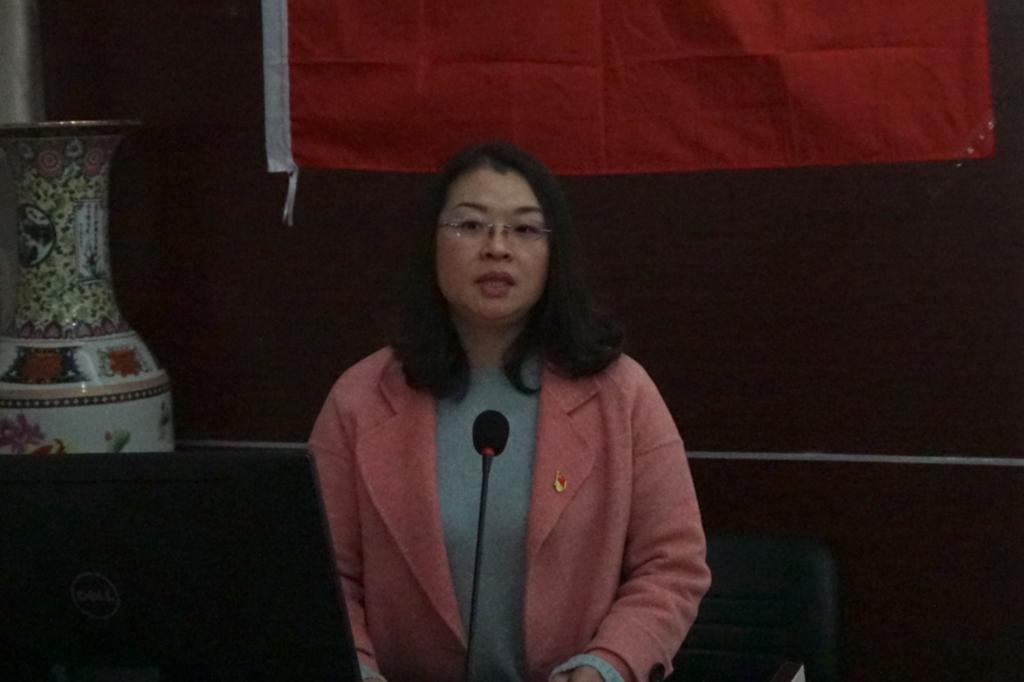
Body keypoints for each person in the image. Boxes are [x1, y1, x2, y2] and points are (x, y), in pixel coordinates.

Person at [309, 141, 711, 682]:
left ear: (553, 253)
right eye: (470, 225)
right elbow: (323, 576)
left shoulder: (622, 394)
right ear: (432, 244)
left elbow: (673, 565)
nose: (497, 248)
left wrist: (606, 666)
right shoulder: (359, 399)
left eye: (523, 229)